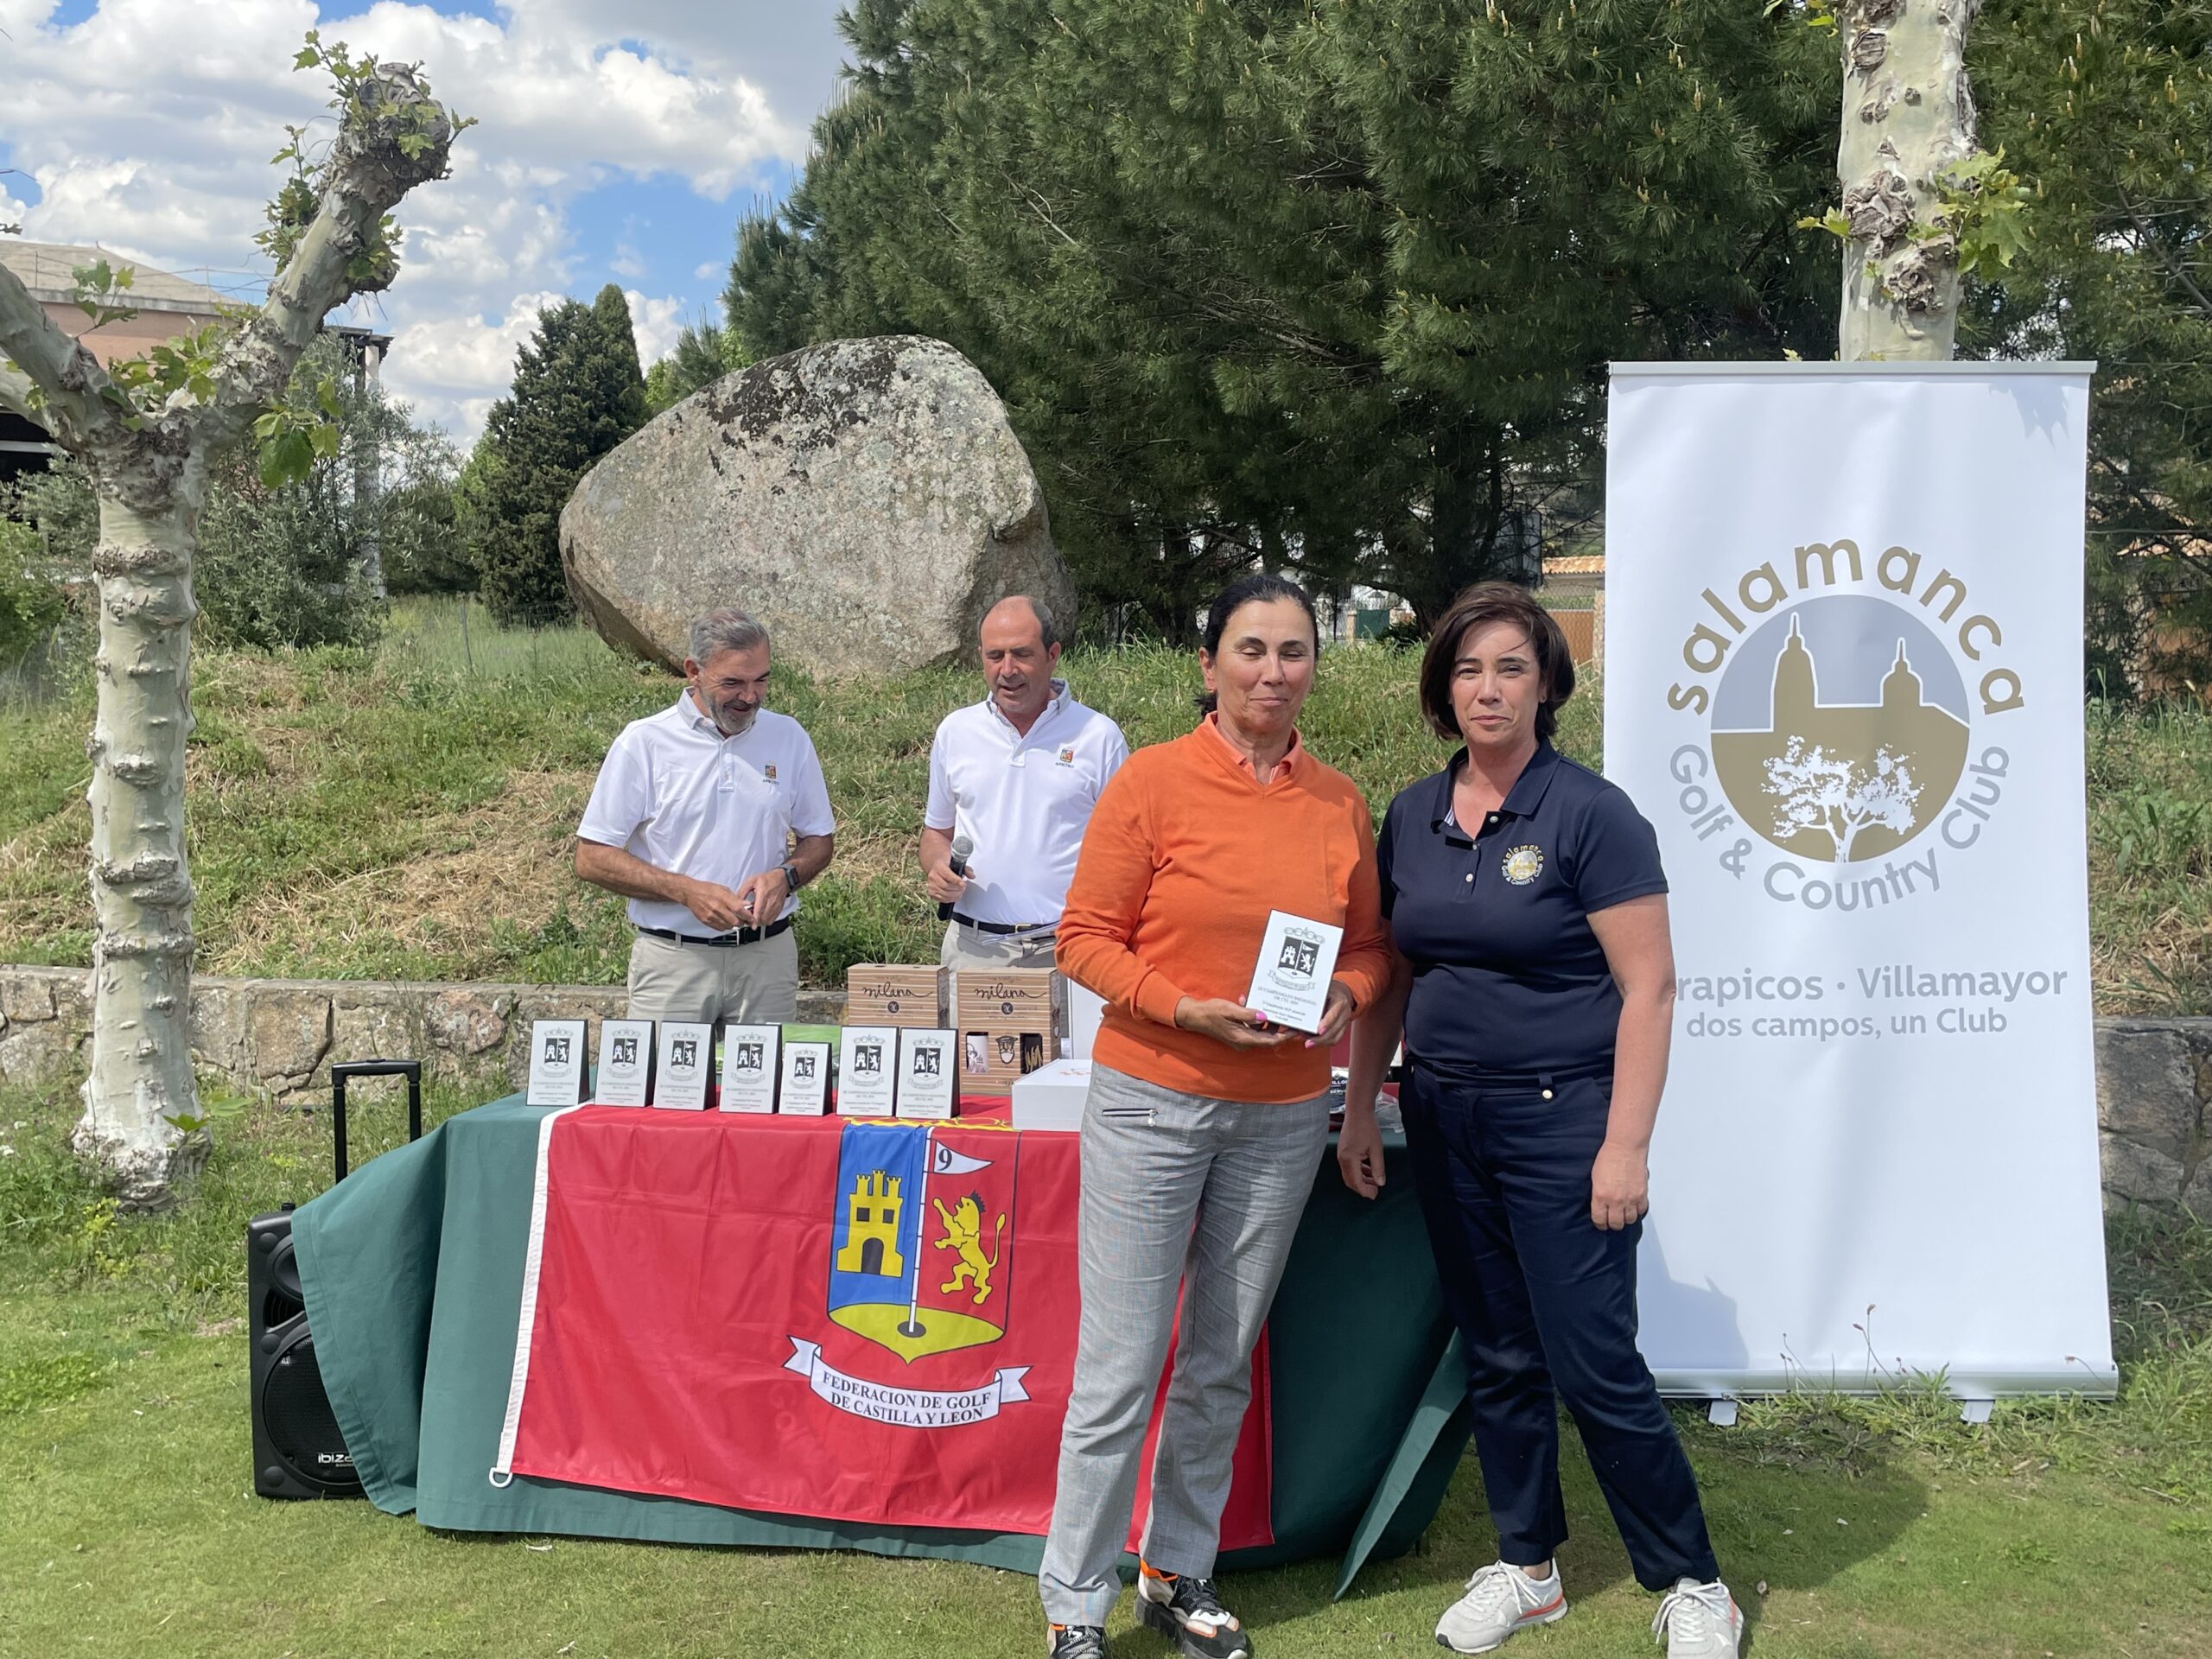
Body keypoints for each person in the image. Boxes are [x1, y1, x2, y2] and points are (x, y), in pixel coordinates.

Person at [1338, 583, 1743, 1658]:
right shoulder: (1413, 814)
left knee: (1593, 1363)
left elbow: (1649, 991)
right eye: (1468, 669)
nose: (1488, 688)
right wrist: (1362, 1107)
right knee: (1499, 1355)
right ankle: (1528, 1568)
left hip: (1566, 1123)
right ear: (1441, 689)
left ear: (1548, 683)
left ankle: (1692, 1579)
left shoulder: (1591, 814)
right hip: (1443, 1114)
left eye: (1511, 666)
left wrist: (1624, 1146)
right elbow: (1394, 976)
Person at [1040, 574, 1392, 1659]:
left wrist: (1351, 995)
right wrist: (1175, 1005)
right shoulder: (1151, 783)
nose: (1272, 672)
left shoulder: (1336, 802)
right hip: (1152, 1103)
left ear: (1313, 671)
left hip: (1282, 1116)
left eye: (1293, 652)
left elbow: (1374, 948)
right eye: (1250, 649)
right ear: (1207, 666)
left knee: (1220, 1362)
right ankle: (1074, 1606)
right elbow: (1083, 937)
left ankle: (1176, 1570)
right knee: (1120, 1366)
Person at [575, 608, 835, 1026]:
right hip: (672, 963)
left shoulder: (788, 737)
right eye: (732, 682)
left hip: (766, 961)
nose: (750, 696)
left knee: (764, 1092)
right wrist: (685, 892)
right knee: (664, 1092)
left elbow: (819, 840)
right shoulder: (644, 743)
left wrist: (785, 878)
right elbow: (591, 858)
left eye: (761, 680)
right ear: (693, 671)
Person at [919, 595, 1128, 972]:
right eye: (995, 656)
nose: (1008, 669)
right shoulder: (956, 731)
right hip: (973, 953)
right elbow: (936, 831)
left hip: (1068, 952)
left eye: (1022, 654)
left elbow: (1129, 852)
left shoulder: (1099, 737)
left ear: (1053, 654)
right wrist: (938, 866)